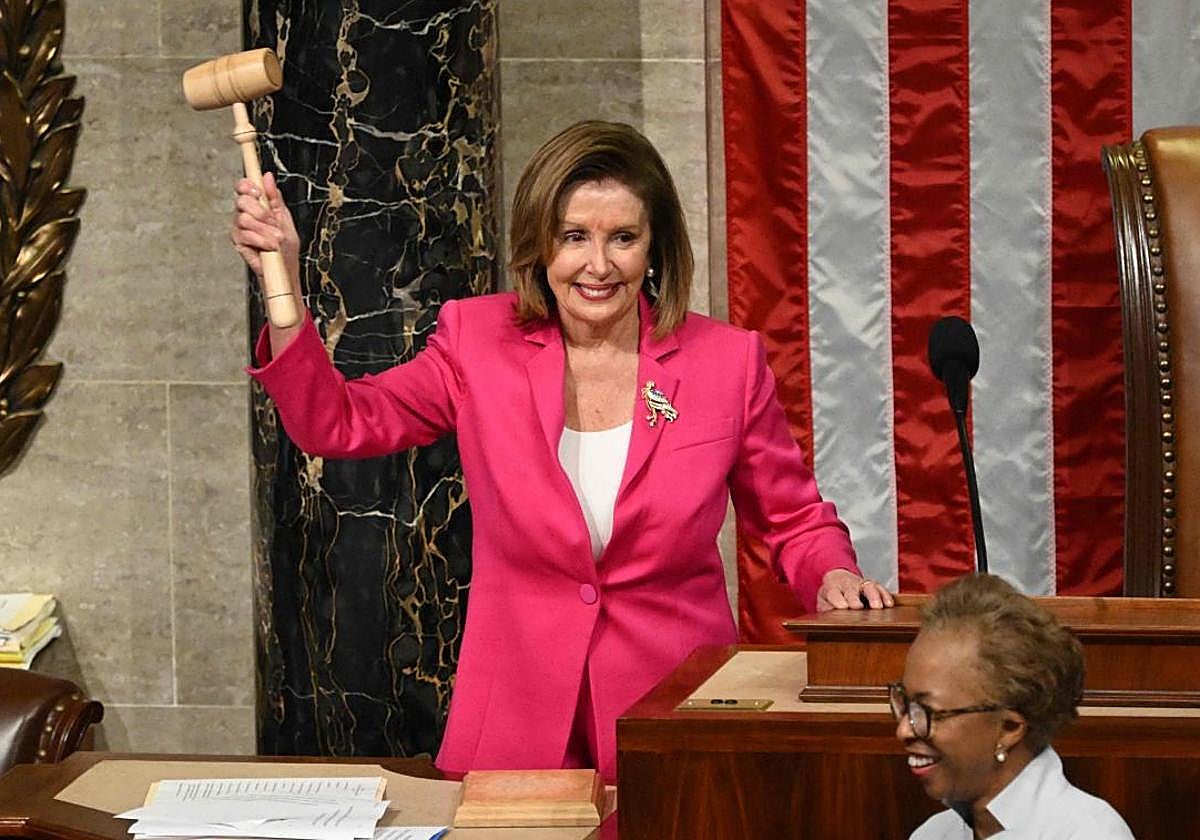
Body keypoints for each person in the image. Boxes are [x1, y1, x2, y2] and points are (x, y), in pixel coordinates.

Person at [231, 120, 893, 782]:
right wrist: (282, 285)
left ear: (655, 248)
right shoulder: (476, 341)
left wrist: (832, 572)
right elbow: (337, 423)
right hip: (513, 723)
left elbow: (793, 518)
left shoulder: (726, 363)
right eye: (575, 236)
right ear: (540, 243)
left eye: (623, 238)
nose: (598, 265)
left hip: (672, 716)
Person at [892, 574, 1133, 839]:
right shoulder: (933, 834)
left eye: (927, 711)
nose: (904, 730)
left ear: (1009, 728)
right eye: (905, 704)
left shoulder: (1090, 833)